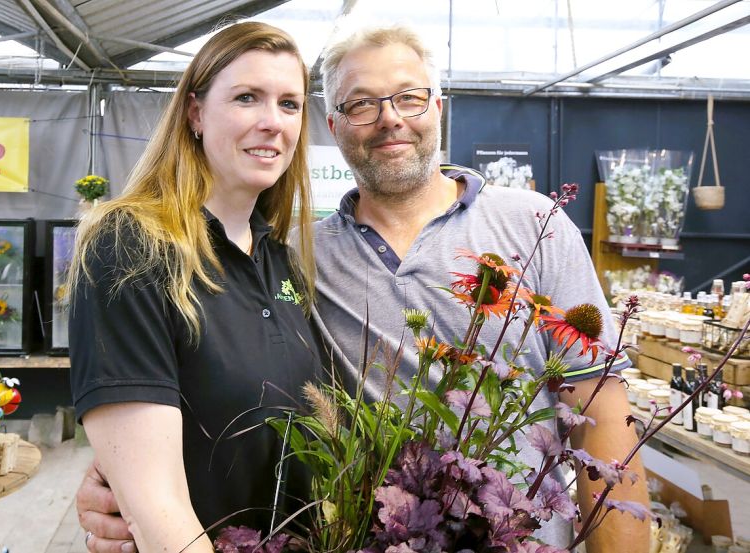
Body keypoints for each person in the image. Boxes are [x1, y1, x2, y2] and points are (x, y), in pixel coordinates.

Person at [77, 24, 651, 553]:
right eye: (361, 104)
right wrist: (126, 483)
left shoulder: (536, 226)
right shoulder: (305, 254)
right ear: (332, 126)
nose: (390, 118)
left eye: (409, 97)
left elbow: (602, 417)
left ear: (439, 109)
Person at [68, 21, 321, 553]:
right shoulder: (130, 248)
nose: (272, 122)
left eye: (290, 104)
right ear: (196, 113)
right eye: (247, 98)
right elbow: (156, 508)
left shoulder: (279, 258)